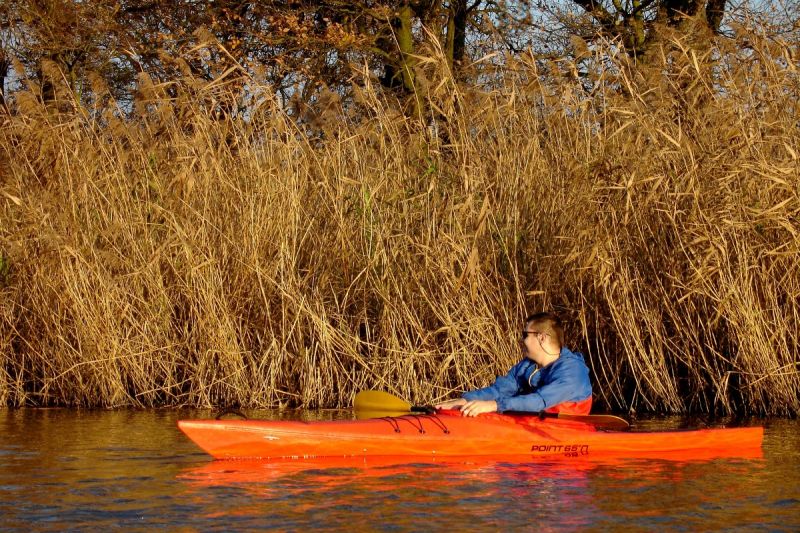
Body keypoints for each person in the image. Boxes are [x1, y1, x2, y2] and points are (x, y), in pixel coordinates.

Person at [436, 312, 592, 417]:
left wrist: (493, 406)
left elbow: (539, 401)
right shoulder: (528, 366)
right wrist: (465, 401)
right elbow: (500, 390)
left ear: (542, 338)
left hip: (562, 431)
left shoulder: (572, 372)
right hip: (533, 423)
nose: (521, 340)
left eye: (525, 335)